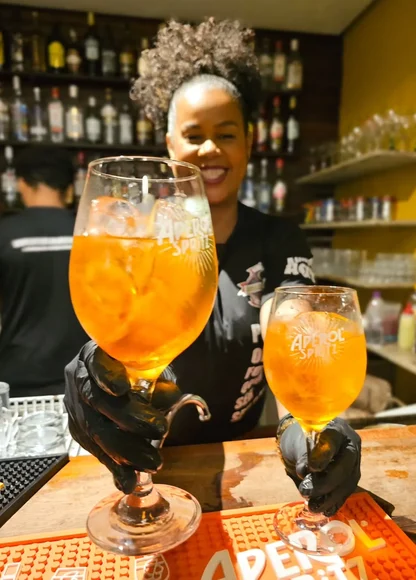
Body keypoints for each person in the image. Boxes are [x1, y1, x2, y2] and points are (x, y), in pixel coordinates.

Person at [65, 19, 361, 517]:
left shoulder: (278, 238)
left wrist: (308, 421)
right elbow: (115, 314)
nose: (209, 149)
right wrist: (94, 371)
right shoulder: (133, 230)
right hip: (150, 462)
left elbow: (292, 323)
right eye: (193, 135)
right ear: (169, 143)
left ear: (249, 140)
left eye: (226, 134)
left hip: (248, 470)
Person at [0, 147, 89, 397]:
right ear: (69, 187)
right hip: (87, 378)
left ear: (22, 183)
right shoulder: (92, 233)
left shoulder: (5, 233)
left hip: (18, 377)